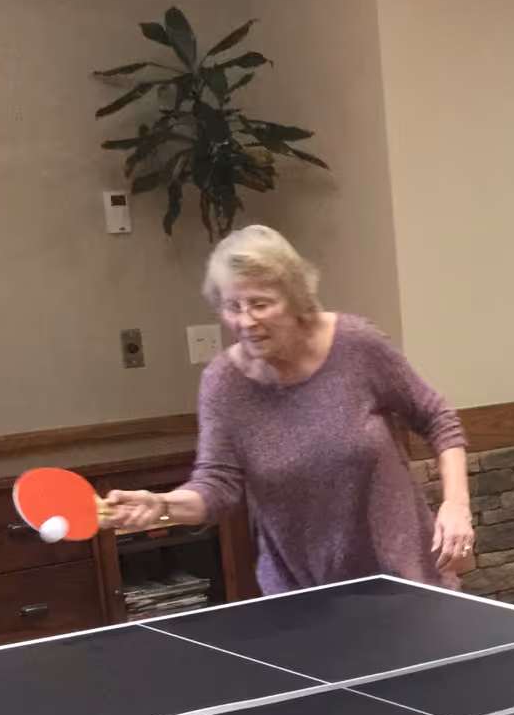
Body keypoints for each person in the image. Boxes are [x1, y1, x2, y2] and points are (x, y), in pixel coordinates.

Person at [101, 225, 473, 591]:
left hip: (403, 579)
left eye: (261, 304)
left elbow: (437, 417)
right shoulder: (223, 383)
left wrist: (456, 506)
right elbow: (217, 486)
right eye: (233, 306)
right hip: (302, 595)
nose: (246, 320)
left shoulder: (356, 345)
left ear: (295, 298)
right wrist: (160, 505)